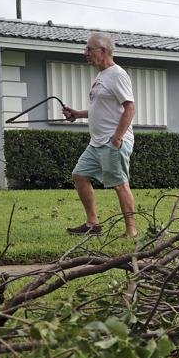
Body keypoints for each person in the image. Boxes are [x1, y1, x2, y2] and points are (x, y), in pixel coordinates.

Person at [62, 32, 137, 237]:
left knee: (120, 184)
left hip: (112, 142)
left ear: (102, 51)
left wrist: (117, 138)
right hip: (96, 143)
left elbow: (129, 107)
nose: (85, 53)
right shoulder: (100, 76)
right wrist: (78, 114)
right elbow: (100, 109)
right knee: (79, 175)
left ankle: (131, 230)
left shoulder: (117, 74)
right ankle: (92, 223)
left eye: (89, 49)